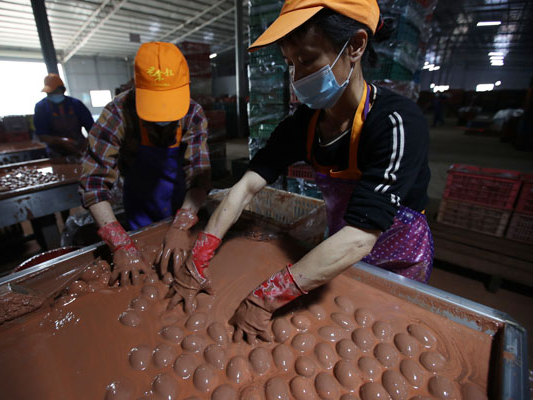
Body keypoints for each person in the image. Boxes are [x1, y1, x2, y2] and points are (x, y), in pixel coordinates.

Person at [166, 0, 433, 343]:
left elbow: (362, 236)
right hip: (336, 247)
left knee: (383, 335)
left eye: (307, 60)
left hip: (395, 253)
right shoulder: (304, 126)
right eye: (290, 64)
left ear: (355, 46)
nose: (297, 77)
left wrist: (267, 296)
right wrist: (200, 253)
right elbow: (246, 186)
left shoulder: (395, 125)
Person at [79, 42, 211, 286]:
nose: (163, 116)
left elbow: (199, 176)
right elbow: (94, 183)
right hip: (140, 205)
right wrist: (119, 242)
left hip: (183, 203)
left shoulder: (193, 114)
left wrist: (182, 224)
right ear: (137, 89)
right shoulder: (118, 113)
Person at [33, 73, 94, 157]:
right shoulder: (41, 107)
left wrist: (87, 143)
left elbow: (93, 128)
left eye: (55, 91)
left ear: (63, 90)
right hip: (56, 153)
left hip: (80, 148)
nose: (53, 94)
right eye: (50, 93)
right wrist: (61, 141)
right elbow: (42, 135)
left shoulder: (76, 104)